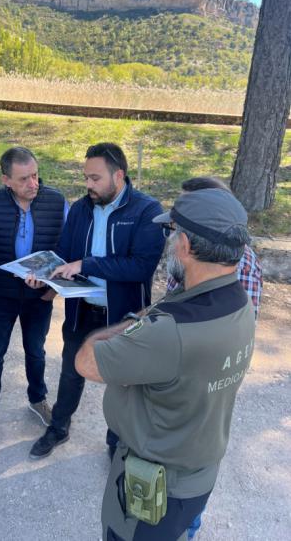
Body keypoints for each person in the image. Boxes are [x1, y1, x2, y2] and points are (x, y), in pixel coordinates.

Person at [75, 188, 255, 541]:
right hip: (198, 475)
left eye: (170, 234)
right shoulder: (239, 302)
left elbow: (86, 361)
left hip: (153, 486)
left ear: (185, 244)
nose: (169, 244)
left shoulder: (168, 331)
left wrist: (133, 323)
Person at [29, 142, 165, 460]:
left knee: (122, 382)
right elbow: (65, 253)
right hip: (82, 310)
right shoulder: (80, 209)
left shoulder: (148, 211)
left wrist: (87, 264)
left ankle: (116, 441)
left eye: (95, 178)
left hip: (124, 315)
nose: (88, 185)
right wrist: (43, 275)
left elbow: (141, 266)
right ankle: (58, 427)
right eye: (86, 177)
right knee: (71, 371)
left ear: (119, 175)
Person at [165, 176, 263, 540]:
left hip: (202, 377)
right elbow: (172, 299)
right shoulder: (190, 253)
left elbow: (237, 331)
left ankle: (188, 526)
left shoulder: (244, 265)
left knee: (196, 455)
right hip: (176, 367)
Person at [0, 147, 68, 438]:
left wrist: (49, 284)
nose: (33, 184)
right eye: (24, 179)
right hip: (1, 294)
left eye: (35, 175)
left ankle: (38, 399)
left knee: (36, 351)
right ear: (6, 180)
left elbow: (67, 246)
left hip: (40, 297)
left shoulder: (57, 201)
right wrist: (3, 272)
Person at [167, 176, 262, 320]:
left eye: (188, 208)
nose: (173, 231)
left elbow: (236, 327)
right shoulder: (185, 246)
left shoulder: (242, 265)